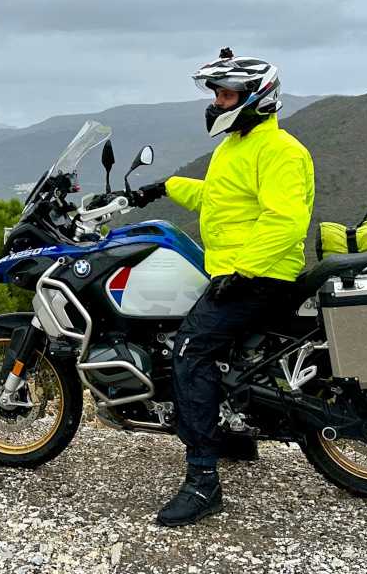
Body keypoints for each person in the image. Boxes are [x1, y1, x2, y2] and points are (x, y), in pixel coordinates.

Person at [129, 48, 315, 527]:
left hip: (261, 277)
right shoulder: (236, 146)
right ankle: (235, 436)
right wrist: (165, 187)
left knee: (189, 351)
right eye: (216, 93)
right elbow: (220, 198)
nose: (217, 102)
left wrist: (244, 270)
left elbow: (286, 221)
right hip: (238, 271)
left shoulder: (281, 151)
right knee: (211, 348)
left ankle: (202, 480)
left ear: (257, 97)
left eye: (227, 93)